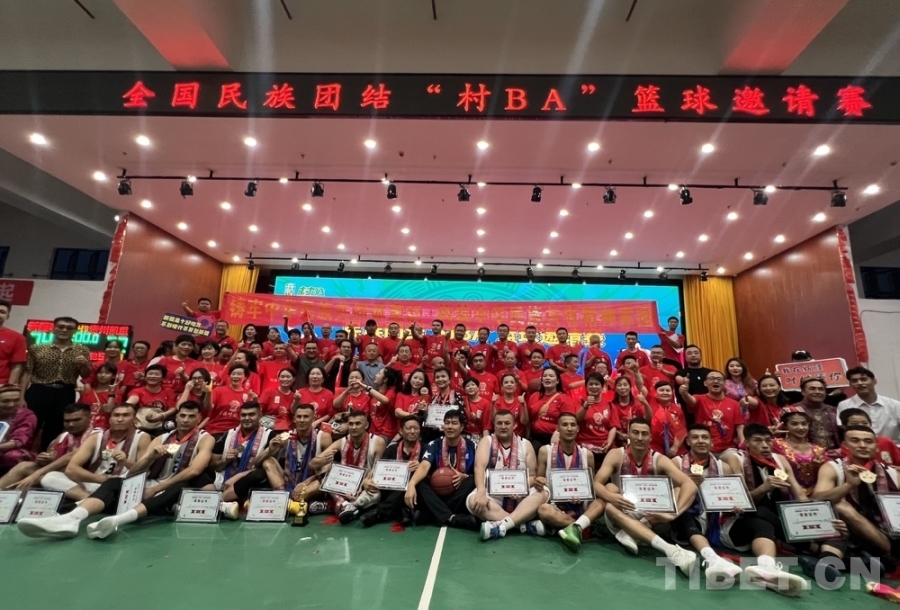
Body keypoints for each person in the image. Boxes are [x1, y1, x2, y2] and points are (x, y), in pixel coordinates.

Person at [18, 401, 215, 540]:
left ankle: (116, 519)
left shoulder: (205, 438)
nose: (186, 420)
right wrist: (150, 457)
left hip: (170, 487)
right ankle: (71, 519)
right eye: (182, 415)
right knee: (113, 482)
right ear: (176, 417)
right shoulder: (160, 438)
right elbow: (135, 472)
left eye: (191, 416)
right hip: (148, 483)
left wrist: (155, 489)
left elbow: (194, 470)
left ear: (199, 418)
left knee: (184, 483)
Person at [719, 423, 833, 596]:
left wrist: (811, 523)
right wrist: (763, 489)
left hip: (770, 524)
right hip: (738, 523)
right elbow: (740, 502)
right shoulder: (737, 459)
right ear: (746, 443)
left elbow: (799, 494)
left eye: (768, 441)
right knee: (759, 513)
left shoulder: (780, 460)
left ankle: (767, 569)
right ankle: (806, 547)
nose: (765, 445)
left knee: (764, 523)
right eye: (758, 441)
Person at [594, 417, 698, 576]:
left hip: (652, 517)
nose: (639, 437)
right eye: (635, 433)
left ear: (650, 437)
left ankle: (631, 533)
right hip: (623, 513)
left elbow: (690, 485)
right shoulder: (616, 454)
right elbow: (596, 483)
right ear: (628, 434)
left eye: (644, 434)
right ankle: (671, 550)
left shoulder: (659, 459)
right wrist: (611, 497)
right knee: (609, 498)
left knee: (678, 490)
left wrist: (673, 514)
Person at [813, 425, 900, 569]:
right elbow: (816, 501)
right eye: (855, 440)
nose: (862, 445)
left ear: (876, 447)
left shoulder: (892, 473)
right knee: (841, 507)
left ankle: (879, 558)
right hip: (846, 529)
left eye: (868, 441)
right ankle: (832, 564)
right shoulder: (833, 467)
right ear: (845, 445)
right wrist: (849, 485)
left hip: (883, 533)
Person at [672, 424, 745, 582]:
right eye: (695, 437)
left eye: (705, 437)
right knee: (683, 515)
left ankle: (767, 565)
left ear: (711, 442)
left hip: (716, 521)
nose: (701, 441)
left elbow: (732, 496)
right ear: (688, 441)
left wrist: (735, 505)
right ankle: (712, 558)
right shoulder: (676, 463)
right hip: (685, 516)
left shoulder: (723, 467)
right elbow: (669, 495)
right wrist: (687, 484)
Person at [39, 404, 150, 501]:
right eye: (116, 415)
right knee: (50, 477)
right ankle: (88, 500)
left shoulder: (142, 437)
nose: (120, 419)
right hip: (95, 482)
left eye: (125, 415)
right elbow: (71, 469)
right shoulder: (97, 436)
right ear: (110, 419)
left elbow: (144, 471)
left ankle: (94, 502)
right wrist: (103, 479)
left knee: (147, 487)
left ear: (134, 420)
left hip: (123, 484)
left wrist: (126, 462)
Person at [467, 410, 548, 540]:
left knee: (544, 492)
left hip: (520, 496)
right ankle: (523, 526)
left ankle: (501, 526)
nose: (503, 426)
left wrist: (520, 488)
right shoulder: (486, 441)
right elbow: (479, 467)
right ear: (494, 425)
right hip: (494, 495)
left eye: (507, 423)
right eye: (499, 423)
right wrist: (481, 491)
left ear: (514, 425)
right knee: (473, 501)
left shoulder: (525, 444)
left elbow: (533, 476)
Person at [535, 412, 605, 551]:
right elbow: (539, 478)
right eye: (565, 425)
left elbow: (591, 486)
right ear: (558, 428)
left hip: (581, 504)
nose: (569, 428)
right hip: (555, 504)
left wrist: (582, 495)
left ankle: (562, 527)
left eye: (573, 425)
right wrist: (539, 480)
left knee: (603, 501)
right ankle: (583, 528)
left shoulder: (587, 455)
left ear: (578, 429)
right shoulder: (545, 451)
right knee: (543, 510)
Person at [21, 316, 92, 450]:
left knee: (55, 430)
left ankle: (45, 457)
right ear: (54, 328)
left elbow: (85, 375)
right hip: (38, 391)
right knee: (30, 427)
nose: (64, 330)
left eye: (69, 328)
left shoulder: (82, 350)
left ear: (75, 331)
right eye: (61, 327)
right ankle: (19, 456)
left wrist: (85, 364)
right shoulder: (37, 348)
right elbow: (27, 373)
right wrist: (21, 397)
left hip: (65, 392)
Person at [241, 403, 328, 511]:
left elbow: (327, 470)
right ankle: (285, 499)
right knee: (268, 461)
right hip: (289, 481)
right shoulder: (286, 437)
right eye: (299, 416)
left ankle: (283, 503)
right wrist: (270, 450)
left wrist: (305, 483)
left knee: (321, 478)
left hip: (311, 481)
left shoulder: (323, 437)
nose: (302, 420)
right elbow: (257, 463)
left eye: (306, 417)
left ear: (313, 418)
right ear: (294, 419)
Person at [404, 409, 479, 530]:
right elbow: (424, 465)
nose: (450, 426)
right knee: (419, 481)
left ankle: (431, 514)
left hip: (459, 492)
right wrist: (411, 484)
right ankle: (452, 518)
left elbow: (479, 471)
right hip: (437, 491)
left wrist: (465, 477)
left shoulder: (472, 446)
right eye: (447, 423)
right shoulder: (434, 444)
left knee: (473, 481)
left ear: (461, 427)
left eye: (454, 423)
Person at [311, 410, 386, 524]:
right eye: (351, 424)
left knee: (375, 494)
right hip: (344, 483)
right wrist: (324, 460)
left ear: (366, 425)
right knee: (323, 468)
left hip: (365, 483)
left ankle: (333, 506)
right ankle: (346, 505)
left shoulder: (378, 442)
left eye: (358, 423)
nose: (354, 427)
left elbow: (377, 469)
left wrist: (363, 484)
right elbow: (312, 463)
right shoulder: (342, 441)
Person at [0, 402, 93, 491]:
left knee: (45, 478)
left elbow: (70, 457)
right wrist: (43, 459)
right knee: (24, 466)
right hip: (58, 474)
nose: (71, 424)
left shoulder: (95, 435)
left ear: (90, 418)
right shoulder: (63, 437)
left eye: (77, 420)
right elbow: (51, 454)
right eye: (67, 421)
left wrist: (36, 474)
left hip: (83, 478)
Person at [207, 401, 272, 519]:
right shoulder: (228, 434)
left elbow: (270, 466)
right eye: (243, 415)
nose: (247, 418)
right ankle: (226, 504)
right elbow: (213, 465)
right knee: (202, 472)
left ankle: (216, 504)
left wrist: (238, 476)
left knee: (260, 475)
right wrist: (225, 461)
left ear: (260, 415)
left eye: (251, 414)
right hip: (225, 479)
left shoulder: (269, 435)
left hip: (251, 480)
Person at [360, 416, 427, 527]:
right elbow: (378, 469)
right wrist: (366, 481)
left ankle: (378, 512)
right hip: (392, 490)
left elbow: (431, 471)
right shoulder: (392, 449)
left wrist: (421, 467)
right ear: (401, 431)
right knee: (398, 483)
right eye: (409, 428)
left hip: (415, 491)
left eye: (416, 428)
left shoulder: (426, 449)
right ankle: (404, 511)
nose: (413, 431)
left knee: (409, 480)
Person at [679, 371, 744, 456]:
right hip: (703, 448)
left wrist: (743, 443)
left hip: (728, 449)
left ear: (724, 383)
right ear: (705, 383)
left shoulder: (734, 404)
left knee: (734, 460)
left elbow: (740, 426)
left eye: (719, 379)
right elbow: (691, 401)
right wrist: (685, 393)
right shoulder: (699, 398)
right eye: (711, 378)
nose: (715, 381)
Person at [771, 407, 827, 497]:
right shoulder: (775, 444)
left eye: (804, 424)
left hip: (816, 496)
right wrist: (768, 435)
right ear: (785, 426)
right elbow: (747, 447)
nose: (801, 427)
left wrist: (819, 467)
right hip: (787, 495)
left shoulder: (818, 449)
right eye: (794, 424)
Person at [838, 366, 900, 443]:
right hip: (861, 448)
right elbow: (844, 431)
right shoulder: (844, 405)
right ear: (850, 384)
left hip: (891, 447)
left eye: (863, 379)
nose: (859, 383)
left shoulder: (894, 405)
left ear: (874, 381)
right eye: (854, 381)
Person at [527, 368, 577, 449]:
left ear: (557, 381)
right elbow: (528, 420)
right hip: (535, 436)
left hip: (556, 437)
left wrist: (558, 434)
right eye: (545, 376)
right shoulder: (534, 396)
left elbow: (569, 421)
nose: (547, 378)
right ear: (542, 380)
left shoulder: (564, 399)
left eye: (551, 376)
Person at [575, 373, 619, 464]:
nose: (594, 387)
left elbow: (613, 427)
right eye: (591, 384)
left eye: (597, 384)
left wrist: (609, 443)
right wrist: (585, 407)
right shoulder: (580, 402)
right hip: (583, 445)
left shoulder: (610, 405)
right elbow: (577, 419)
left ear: (602, 386)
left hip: (603, 445)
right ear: (586, 386)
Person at [126, 364, 177, 433]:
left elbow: (172, 408)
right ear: (145, 376)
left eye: (156, 374)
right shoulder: (137, 391)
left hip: (161, 427)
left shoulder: (168, 391)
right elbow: (131, 401)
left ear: (162, 378)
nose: (153, 376)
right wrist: (127, 404)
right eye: (150, 374)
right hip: (140, 427)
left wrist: (162, 415)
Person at [794, 377, 840, 450]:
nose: (817, 392)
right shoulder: (793, 410)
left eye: (821, 389)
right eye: (812, 389)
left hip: (835, 454)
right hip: (804, 453)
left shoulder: (834, 410)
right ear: (803, 392)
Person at [0, 384, 36, 474]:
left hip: (12, 451)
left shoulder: (26, 415)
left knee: (13, 456)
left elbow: (19, 441)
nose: (12, 404)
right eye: (5, 401)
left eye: (16, 400)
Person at [649, 381, 687, 458]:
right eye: (661, 390)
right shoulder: (650, 405)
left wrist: (675, 447)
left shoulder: (677, 409)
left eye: (668, 390)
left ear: (672, 393)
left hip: (675, 443)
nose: (665, 392)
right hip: (655, 444)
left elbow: (681, 430)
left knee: (684, 459)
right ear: (655, 393)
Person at [78, 363, 121, 430]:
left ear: (113, 376)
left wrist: (111, 394)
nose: (103, 375)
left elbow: (110, 410)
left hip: (106, 428)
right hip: (86, 428)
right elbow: (79, 411)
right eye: (100, 373)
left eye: (107, 373)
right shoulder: (88, 393)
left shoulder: (117, 393)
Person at [486, 373, 528, 437]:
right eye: (506, 382)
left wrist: (524, 405)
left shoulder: (520, 401)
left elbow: (524, 422)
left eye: (512, 382)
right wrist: (493, 404)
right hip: (500, 435)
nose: (509, 384)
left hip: (517, 435)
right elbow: (494, 421)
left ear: (515, 386)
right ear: (502, 387)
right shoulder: (497, 401)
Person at [259, 367, 298, 432]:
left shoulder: (295, 396)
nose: (285, 379)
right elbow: (259, 409)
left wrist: (297, 401)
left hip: (286, 427)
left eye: (288, 377)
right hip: (268, 424)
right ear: (278, 378)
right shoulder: (269, 392)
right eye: (282, 377)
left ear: (293, 379)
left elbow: (293, 413)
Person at [296, 366, 334, 431]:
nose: (315, 376)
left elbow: (330, 414)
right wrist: (296, 401)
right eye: (312, 374)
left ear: (323, 379)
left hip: (321, 427)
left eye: (318, 374)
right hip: (302, 426)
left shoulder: (329, 394)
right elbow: (294, 411)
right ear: (308, 378)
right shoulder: (300, 392)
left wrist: (316, 422)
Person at [370, 367, 401, 441]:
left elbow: (385, 400)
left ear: (385, 379)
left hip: (386, 433)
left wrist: (368, 388)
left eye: (379, 373)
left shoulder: (391, 393)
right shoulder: (375, 393)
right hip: (373, 432)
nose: (376, 375)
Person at [0, 300, 26, 386]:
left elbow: (17, 366)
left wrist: (10, 387)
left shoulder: (17, 338)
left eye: (2, 312)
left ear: (7, 316)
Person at [724, 357, 758, 422]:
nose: (735, 368)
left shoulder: (752, 382)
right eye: (731, 366)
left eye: (738, 366)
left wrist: (766, 378)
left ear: (743, 368)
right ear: (728, 369)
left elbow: (760, 394)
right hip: (732, 413)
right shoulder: (724, 383)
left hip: (752, 414)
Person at [461, 377, 489, 443]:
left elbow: (486, 426)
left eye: (473, 385)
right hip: (462, 435)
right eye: (467, 386)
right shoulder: (461, 400)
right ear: (464, 390)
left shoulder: (485, 403)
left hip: (478, 435)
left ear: (478, 388)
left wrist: (485, 442)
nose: (470, 387)